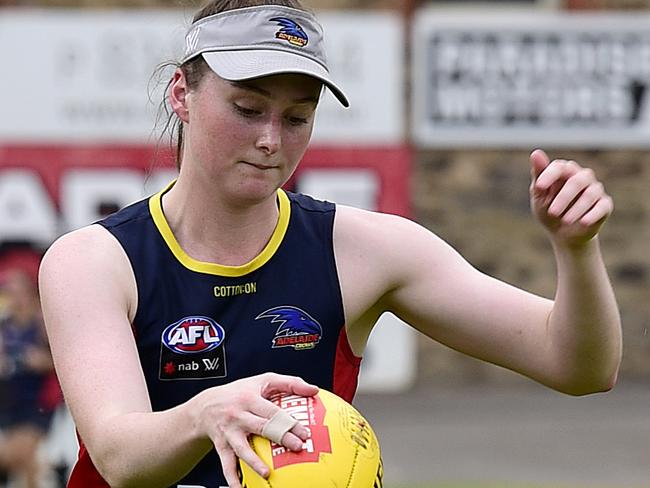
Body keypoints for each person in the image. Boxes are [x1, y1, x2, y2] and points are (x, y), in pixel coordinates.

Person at [38, 1, 622, 487]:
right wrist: (204, 413)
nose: (270, 139)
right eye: (247, 109)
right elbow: (118, 455)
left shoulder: (365, 250)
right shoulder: (93, 261)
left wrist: (576, 252)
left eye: (297, 117)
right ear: (182, 95)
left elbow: (577, 366)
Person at [0, 268, 55, 488]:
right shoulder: (5, 327)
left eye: (19, 292)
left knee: (21, 454)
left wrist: (39, 361)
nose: (15, 299)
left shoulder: (42, 324)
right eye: (9, 293)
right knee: (17, 459)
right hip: (8, 401)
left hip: (37, 402)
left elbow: (63, 361)